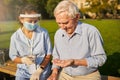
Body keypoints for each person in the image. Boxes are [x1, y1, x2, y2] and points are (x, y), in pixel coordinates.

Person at [47, 0, 107, 80]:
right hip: (65, 74)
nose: (62, 27)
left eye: (66, 23)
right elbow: (56, 56)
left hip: (88, 76)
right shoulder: (58, 34)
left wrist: (75, 62)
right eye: (59, 23)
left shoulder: (91, 31)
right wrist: (54, 73)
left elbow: (100, 58)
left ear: (77, 17)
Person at [9, 4, 52, 80]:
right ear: (21, 19)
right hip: (23, 73)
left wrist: (39, 70)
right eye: (30, 21)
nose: (33, 24)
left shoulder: (43, 33)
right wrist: (22, 60)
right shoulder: (15, 37)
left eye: (35, 21)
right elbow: (13, 57)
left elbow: (48, 55)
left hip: (42, 71)